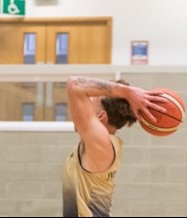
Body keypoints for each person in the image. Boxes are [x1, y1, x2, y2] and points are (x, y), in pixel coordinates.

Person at [63, 76, 167, 217]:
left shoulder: (100, 141)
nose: (82, 104)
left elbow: (75, 84)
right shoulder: (98, 142)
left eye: (91, 101)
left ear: (101, 116)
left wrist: (127, 92)